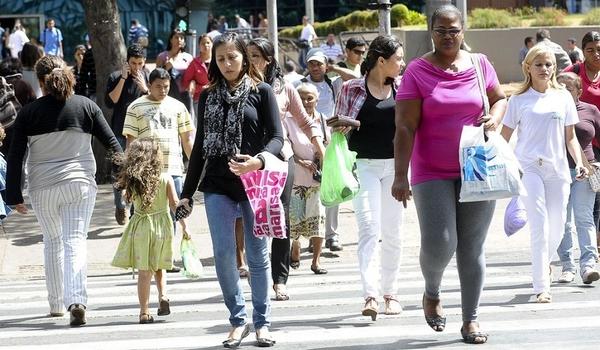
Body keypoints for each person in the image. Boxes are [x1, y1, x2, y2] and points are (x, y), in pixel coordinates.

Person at [392, 5, 507, 344]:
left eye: (453, 30)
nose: (447, 36)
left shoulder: (479, 64)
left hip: (476, 166)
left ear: (463, 31)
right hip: (431, 170)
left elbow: (499, 98)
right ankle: (432, 291)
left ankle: (470, 319)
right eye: (440, 30)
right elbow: (404, 126)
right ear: (431, 31)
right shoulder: (417, 71)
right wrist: (400, 175)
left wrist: (496, 117)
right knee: (441, 243)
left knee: (471, 247)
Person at [178, 32, 282, 347]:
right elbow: (198, 150)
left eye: (232, 57)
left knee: (257, 255)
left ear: (245, 58)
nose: (226, 64)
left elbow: (277, 138)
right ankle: (238, 320)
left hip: (255, 183)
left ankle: (262, 322)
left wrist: (259, 161)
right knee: (224, 255)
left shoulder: (262, 92)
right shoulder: (208, 95)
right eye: (220, 59)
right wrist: (186, 193)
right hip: (218, 185)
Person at [5, 55, 122, 326]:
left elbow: (16, 155)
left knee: (53, 242)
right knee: (75, 241)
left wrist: (13, 195)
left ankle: (56, 304)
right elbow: (114, 146)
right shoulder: (86, 106)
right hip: (79, 184)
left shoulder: (29, 112)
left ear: (41, 81)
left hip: (42, 187)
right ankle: (76, 300)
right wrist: (127, 179)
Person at [501, 45, 587, 304]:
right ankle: (541, 285)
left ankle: (544, 263)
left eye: (549, 64)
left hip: (558, 169)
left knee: (558, 226)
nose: (544, 69)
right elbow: (504, 138)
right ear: (528, 67)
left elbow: (570, 137)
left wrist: (579, 162)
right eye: (538, 64)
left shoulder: (563, 98)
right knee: (539, 225)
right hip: (529, 169)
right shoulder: (517, 100)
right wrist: (509, 166)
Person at [247, 38, 326, 300]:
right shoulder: (240, 86)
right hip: (249, 161)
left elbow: (304, 121)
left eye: (256, 56)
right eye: (248, 56)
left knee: (281, 219)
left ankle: (280, 279)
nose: (251, 61)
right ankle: (255, 269)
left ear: (269, 60)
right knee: (253, 217)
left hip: (281, 159)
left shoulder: (285, 89)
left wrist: (319, 146)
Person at [335, 35, 406, 321]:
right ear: (381, 61)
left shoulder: (402, 89)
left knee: (393, 232)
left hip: (396, 168)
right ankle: (371, 295)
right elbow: (337, 127)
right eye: (398, 59)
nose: (402, 64)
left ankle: (391, 293)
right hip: (363, 166)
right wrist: (343, 126)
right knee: (368, 228)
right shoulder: (352, 88)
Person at [112, 138, 186, 324]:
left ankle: (144, 312)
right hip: (163, 226)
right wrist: (186, 227)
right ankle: (163, 296)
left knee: (144, 271)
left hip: (141, 227)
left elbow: (127, 200)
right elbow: (175, 205)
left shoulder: (133, 180)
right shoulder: (166, 178)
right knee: (160, 265)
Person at [554, 72, 600, 285]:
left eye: (568, 88)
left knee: (584, 218)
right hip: (557, 172)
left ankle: (588, 266)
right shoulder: (550, 111)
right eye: (559, 87)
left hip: (585, 170)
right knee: (563, 221)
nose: (563, 92)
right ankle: (567, 266)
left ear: (579, 91)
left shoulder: (590, 110)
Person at [297, 48, 343, 252]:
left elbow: (356, 76)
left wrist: (332, 68)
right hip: (305, 142)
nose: (315, 67)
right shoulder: (298, 85)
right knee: (309, 190)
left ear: (325, 64)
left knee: (331, 190)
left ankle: (331, 235)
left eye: (319, 63)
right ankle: (312, 236)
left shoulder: (333, 84)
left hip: (330, 141)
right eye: (311, 63)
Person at [105, 44, 150, 225]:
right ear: (127, 62)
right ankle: (120, 205)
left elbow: (156, 100)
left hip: (142, 132)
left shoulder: (147, 77)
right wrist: (123, 78)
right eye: (133, 63)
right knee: (120, 172)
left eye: (140, 63)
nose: (137, 67)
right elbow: (111, 101)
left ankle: (133, 210)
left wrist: (145, 88)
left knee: (139, 171)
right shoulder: (115, 77)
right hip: (119, 131)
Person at [564, 32, 600, 254]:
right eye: (590, 50)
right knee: (593, 196)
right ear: (582, 52)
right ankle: (593, 243)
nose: (596, 54)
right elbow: (555, 88)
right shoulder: (573, 73)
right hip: (584, 143)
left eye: (599, 49)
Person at [288, 83, 328, 277]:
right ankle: (295, 246)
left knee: (318, 219)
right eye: (301, 98)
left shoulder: (323, 120)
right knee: (295, 220)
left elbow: (327, 145)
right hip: (295, 178)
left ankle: (316, 261)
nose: (305, 102)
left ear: (317, 99)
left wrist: (319, 159)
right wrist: (301, 161)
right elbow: (284, 147)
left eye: (309, 98)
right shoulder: (288, 120)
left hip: (317, 180)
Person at [156, 29, 194, 116]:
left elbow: (193, 76)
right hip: (168, 95)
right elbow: (156, 77)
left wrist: (192, 82)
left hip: (185, 94)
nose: (179, 40)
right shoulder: (162, 56)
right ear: (171, 40)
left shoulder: (188, 57)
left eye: (181, 38)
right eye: (176, 37)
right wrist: (166, 67)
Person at [182, 34, 212, 127]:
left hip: (217, 98)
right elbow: (185, 82)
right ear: (199, 46)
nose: (206, 45)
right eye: (203, 43)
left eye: (208, 43)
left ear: (212, 44)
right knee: (201, 126)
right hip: (200, 99)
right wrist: (200, 88)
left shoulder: (218, 61)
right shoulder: (195, 63)